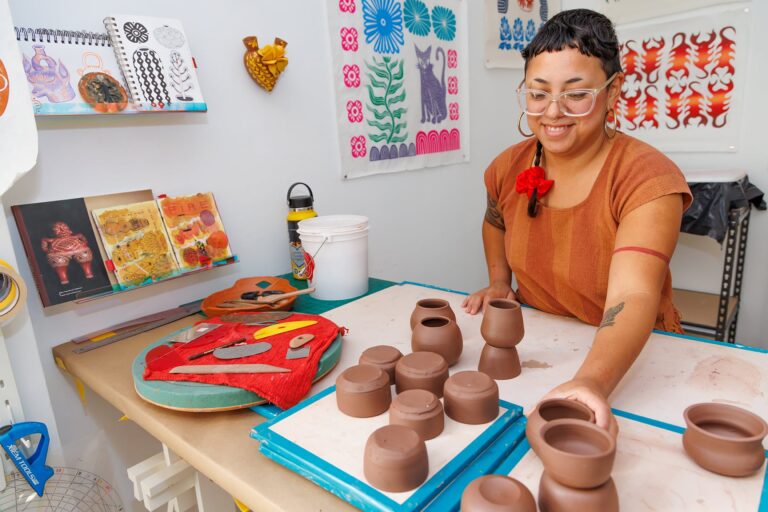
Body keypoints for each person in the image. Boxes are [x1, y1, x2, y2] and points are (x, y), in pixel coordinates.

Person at [462, 9, 692, 436]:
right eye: (538, 93)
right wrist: (499, 280)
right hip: (542, 341)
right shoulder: (507, 167)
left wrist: (591, 381)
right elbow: (495, 220)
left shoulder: (647, 179)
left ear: (614, 90)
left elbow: (635, 293)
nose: (553, 112)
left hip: (633, 356)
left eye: (576, 93)